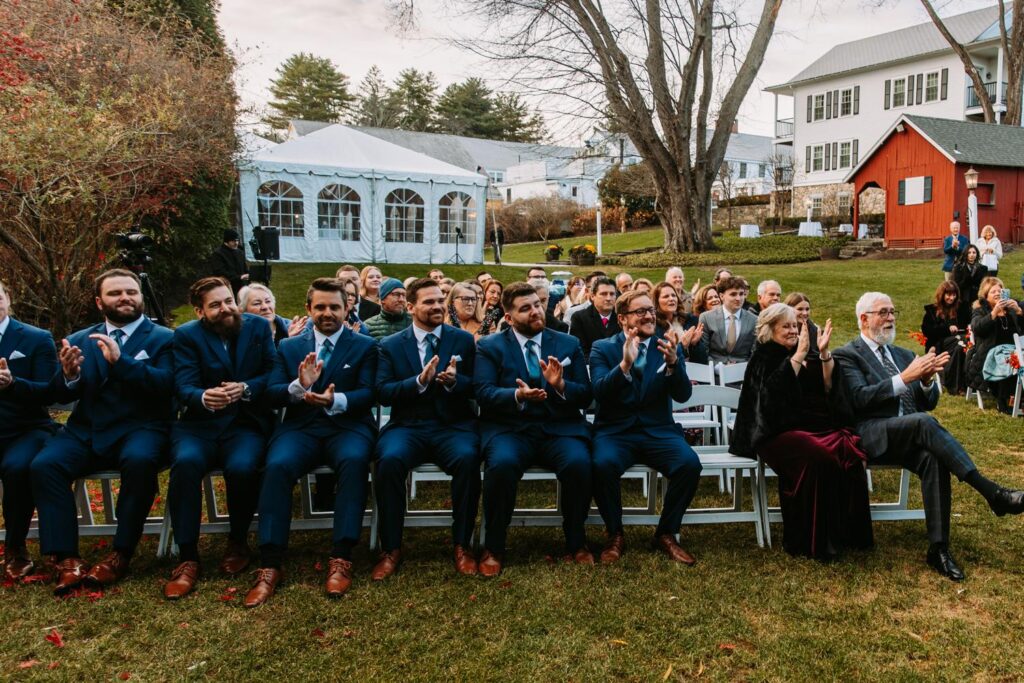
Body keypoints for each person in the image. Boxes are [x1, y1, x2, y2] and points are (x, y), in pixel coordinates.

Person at [833, 291, 1024, 580]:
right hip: (870, 435)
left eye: (893, 311)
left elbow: (929, 401)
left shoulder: (902, 354)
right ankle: (991, 492)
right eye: (883, 312)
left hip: (909, 434)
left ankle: (939, 548)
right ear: (864, 318)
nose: (890, 318)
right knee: (922, 422)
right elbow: (859, 399)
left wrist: (924, 382)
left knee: (933, 458)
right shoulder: (847, 354)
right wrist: (906, 377)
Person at [32, 269, 174, 595]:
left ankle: (120, 553)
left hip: (143, 428)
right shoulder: (82, 338)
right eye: (115, 293)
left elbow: (167, 387)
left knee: (139, 462)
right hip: (87, 430)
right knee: (45, 465)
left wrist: (121, 362)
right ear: (100, 302)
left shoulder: (165, 338)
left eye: (131, 292)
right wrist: (67, 375)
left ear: (140, 297)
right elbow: (63, 394)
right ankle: (68, 559)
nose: (124, 297)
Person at [244, 278, 378, 607]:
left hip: (348, 426)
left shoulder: (365, 345)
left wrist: (337, 400)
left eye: (335, 306)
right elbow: (271, 393)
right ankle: (270, 562)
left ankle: (341, 557)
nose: (327, 312)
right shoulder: (288, 348)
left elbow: (372, 392)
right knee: (276, 466)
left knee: (354, 463)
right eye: (320, 307)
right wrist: (298, 387)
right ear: (308, 309)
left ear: (348, 309)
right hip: (300, 427)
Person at [163, 278, 277, 599]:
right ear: (200, 311)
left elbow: (273, 370)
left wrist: (246, 388)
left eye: (228, 301)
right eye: (216, 305)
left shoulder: (256, 327)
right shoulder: (186, 336)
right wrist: (202, 396)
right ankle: (188, 556)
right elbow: (182, 384)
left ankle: (238, 541)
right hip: (200, 425)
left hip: (245, 422)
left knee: (242, 467)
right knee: (185, 465)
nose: (226, 308)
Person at [732, 304, 873, 560]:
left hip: (813, 427)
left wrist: (824, 353)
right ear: (770, 329)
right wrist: (797, 357)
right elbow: (769, 400)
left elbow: (829, 387)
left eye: (795, 326)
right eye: (785, 326)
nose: (793, 330)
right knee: (820, 456)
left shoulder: (806, 353)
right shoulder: (764, 356)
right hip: (774, 432)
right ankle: (811, 540)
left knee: (848, 450)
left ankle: (848, 535)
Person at [474, 282, 594, 576]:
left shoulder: (567, 343)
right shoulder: (490, 346)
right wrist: (516, 396)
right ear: (509, 315)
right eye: (525, 308)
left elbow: (586, 395)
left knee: (579, 464)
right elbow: (483, 392)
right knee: (500, 466)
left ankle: (576, 542)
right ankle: (495, 545)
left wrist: (561, 385)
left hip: (559, 427)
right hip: (510, 428)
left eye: (537, 305)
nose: (535, 312)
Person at [373, 278, 481, 579]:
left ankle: (462, 544)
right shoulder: (390, 346)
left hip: (454, 425)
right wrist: (418, 382)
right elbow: (381, 391)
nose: (437, 306)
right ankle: (391, 547)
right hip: (408, 425)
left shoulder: (461, 340)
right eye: (429, 302)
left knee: (468, 460)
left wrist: (456, 382)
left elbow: (478, 386)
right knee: (389, 461)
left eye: (440, 301)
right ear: (411, 307)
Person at [589, 291, 703, 564]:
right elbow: (599, 393)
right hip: (616, 432)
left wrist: (675, 365)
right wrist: (624, 365)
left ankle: (666, 533)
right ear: (622, 319)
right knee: (601, 465)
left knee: (689, 465)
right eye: (640, 311)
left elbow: (683, 395)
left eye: (650, 310)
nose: (649, 315)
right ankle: (614, 534)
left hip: (658, 430)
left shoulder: (667, 346)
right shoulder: (602, 348)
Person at [0, 281, 59, 581]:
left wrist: (12, 384)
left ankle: (15, 548)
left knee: (18, 468)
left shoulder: (36, 338)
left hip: (26, 429)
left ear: (8, 299)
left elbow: (51, 392)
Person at [967, 277, 1024, 415]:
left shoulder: (1011, 309)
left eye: (1000, 290)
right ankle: (1006, 402)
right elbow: (978, 328)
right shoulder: (980, 310)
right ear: (986, 296)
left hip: (1014, 350)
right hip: (989, 353)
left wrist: (1019, 312)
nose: (998, 294)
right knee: (1009, 363)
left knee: (1014, 359)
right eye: (993, 292)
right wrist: (993, 313)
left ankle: (1018, 400)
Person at [920, 281, 970, 395]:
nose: (951, 298)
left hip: (958, 343)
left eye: (954, 295)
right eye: (948, 295)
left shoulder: (962, 309)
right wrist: (946, 329)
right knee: (961, 342)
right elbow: (927, 331)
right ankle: (956, 384)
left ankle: (955, 385)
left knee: (959, 347)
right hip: (939, 345)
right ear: (942, 295)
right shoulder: (932, 311)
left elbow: (969, 325)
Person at [700, 276, 756, 364]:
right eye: (733, 294)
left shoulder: (754, 320)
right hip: (714, 372)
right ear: (721, 296)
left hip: (743, 373)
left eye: (741, 294)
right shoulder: (706, 318)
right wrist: (718, 368)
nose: (738, 298)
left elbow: (754, 353)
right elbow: (703, 351)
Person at [653, 282, 707, 363]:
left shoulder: (690, 319)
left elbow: (703, 360)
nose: (671, 299)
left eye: (673, 295)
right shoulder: (653, 325)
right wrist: (683, 346)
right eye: (666, 296)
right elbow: (660, 360)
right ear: (657, 302)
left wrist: (694, 344)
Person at [569, 277, 620, 359]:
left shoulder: (622, 317)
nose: (608, 298)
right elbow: (580, 351)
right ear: (592, 296)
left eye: (612, 294)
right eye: (603, 294)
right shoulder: (580, 318)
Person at [238, 283, 306, 343]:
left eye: (268, 301)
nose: (265, 307)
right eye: (257, 303)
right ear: (243, 311)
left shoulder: (295, 329)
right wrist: (286, 341)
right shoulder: (240, 336)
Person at [206, 229, 249, 294]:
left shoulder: (240, 252)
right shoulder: (218, 254)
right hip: (226, 287)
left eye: (237, 240)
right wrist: (239, 277)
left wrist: (248, 276)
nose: (236, 243)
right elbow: (220, 272)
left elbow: (244, 268)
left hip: (242, 286)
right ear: (226, 241)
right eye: (233, 241)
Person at [783, 292, 820, 361]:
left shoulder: (815, 330)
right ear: (788, 309)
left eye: (807, 309)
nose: (805, 313)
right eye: (800, 309)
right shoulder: (780, 329)